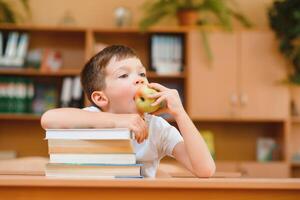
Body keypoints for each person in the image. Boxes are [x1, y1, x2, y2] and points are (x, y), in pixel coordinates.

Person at [41, 45, 215, 178]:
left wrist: (180, 114)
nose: (139, 80)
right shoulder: (94, 117)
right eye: (124, 75)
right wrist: (118, 121)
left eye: (142, 74)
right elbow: (49, 118)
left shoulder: (157, 127)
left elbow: (205, 169)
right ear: (101, 98)